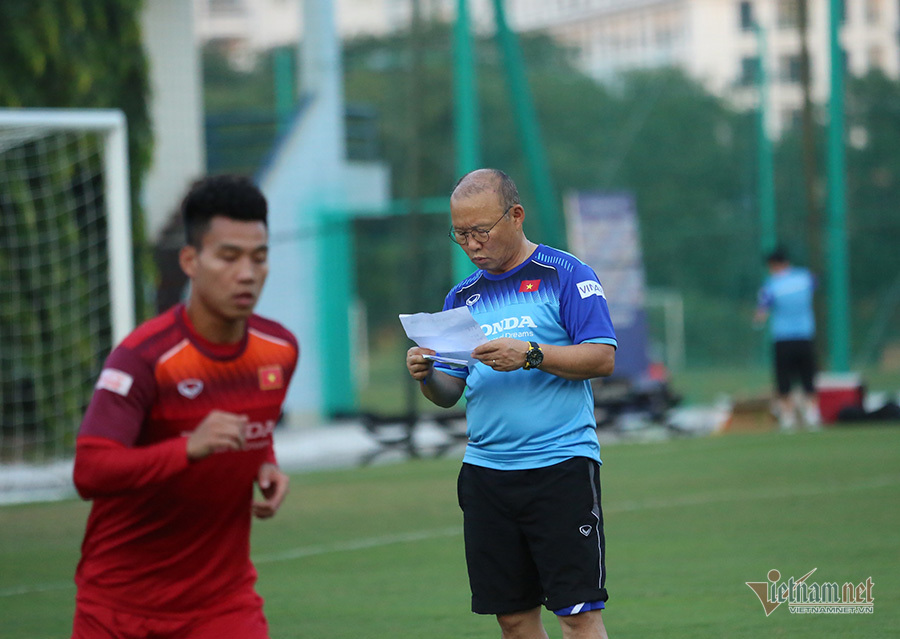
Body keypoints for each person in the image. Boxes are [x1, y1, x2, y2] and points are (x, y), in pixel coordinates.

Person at [71, 175, 299, 639]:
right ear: (191, 261)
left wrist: (264, 461)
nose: (247, 273)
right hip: (119, 606)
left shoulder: (280, 349)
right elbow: (90, 470)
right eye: (229, 257)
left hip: (222, 606)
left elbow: (254, 422)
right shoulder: (144, 358)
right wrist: (187, 449)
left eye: (259, 257)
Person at [406, 169, 617, 639]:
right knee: (513, 618)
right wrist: (426, 376)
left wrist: (532, 354)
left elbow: (603, 358)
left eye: (481, 230)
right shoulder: (462, 297)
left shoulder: (565, 275)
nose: (472, 244)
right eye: (461, 234)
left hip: (559, 467)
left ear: (516, 216)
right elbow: (448, 392)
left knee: (577, 613)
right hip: (486, 474)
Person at [754, 247, 820, 430]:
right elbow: (816, 284)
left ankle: (788, 417)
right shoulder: (805, 277)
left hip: (782, 337)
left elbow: (762, 312)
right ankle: (812, 415)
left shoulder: (771, 284)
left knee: (784, 380)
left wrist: (757, 320)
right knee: (808, 377)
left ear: (773, 265)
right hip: (805, 335)